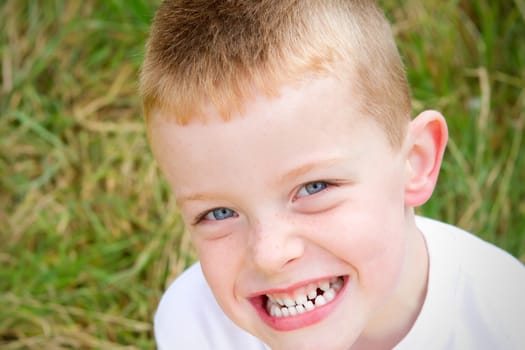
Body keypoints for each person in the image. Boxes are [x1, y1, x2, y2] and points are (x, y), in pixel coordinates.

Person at [140, 1, 525, 349]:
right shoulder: (196, 326)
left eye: (313, 188)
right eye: (219, 213)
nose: (270, 255)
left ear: (416, 162)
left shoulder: (505, 322)